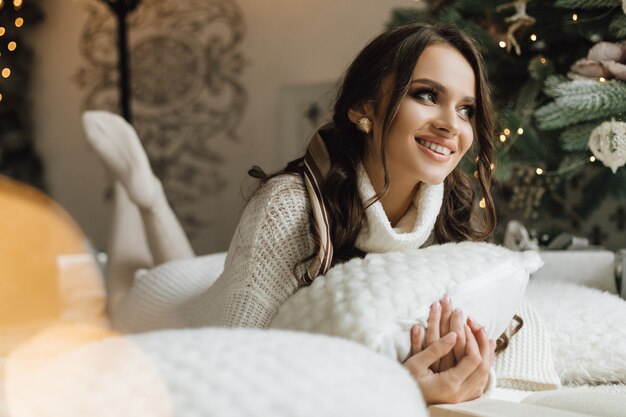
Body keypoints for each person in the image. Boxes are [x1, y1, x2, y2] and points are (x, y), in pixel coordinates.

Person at [82, 22, 499, 405]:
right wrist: (394, 388)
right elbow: (230, 359)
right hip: (174, 307)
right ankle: (137, 191)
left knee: (195, 272)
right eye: (427, 95)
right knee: (121, 300)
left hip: (222, 276)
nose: (452, 125)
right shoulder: (289, 207)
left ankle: (147, 194)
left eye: (467, 109)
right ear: (363, 109)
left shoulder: (451, 208)